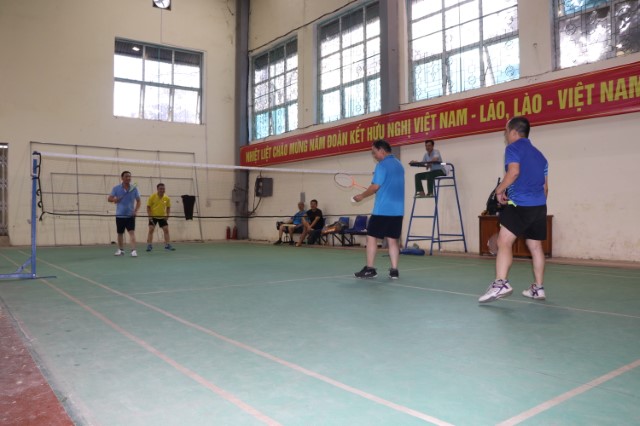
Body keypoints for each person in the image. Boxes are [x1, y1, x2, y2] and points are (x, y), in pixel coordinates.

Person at [479, 116, 549, 303]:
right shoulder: (541, 156)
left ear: (514, 132)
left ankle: (501, 283)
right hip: (539, 206)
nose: (505, 135)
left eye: (506, 131)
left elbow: (514, 172)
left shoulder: (513, 148)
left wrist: (499, 190)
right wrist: (536, 204)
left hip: (519, 204)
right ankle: (538, 288)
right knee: (535, 247)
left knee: (503, 241)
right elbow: (545, 188)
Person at [353, 139, 405, 279]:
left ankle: (370, 269)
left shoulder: (381, 166)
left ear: (381, 150)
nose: (374, 155)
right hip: (398, 210)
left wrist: (362, 196)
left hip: (382, 210)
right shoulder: (399, 165)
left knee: (371, 237)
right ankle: (394, 270)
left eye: (374, 152)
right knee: (393, 240)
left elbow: (375, 187)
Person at [107, 171, 141, 257]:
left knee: (131, 232)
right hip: (120, 215)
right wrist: (115, 199)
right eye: (126, 176)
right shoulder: (116, 188)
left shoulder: (134, 188)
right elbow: (109, 199)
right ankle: (121, 250)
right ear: (122, 178)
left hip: (130, 215)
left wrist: (135, 211)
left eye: (129, 176)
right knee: (120, 233)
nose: (128, 178)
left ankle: (133, 250)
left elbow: (138, 201)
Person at [146, 183, 175, 252]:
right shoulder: (152, 197)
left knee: (166, 230)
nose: (162, 190)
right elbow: (148, 207)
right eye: (161, 189)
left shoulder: (166, 198)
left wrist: (167, 215)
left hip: (162, 217)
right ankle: (149, 245)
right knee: (151, 230)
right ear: (157, 189)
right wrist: (150, 216)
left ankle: (167, 245)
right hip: (153, 216)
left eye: (163, 189)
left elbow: (168, 207)